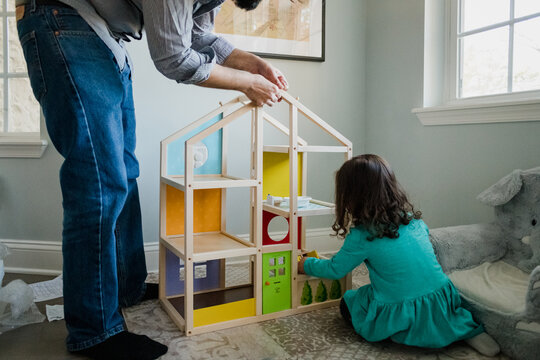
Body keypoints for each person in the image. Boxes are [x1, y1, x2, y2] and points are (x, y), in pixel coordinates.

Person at [15, 0, 287, 359]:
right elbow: (174, 59)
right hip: (62, 17)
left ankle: (127, 287)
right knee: (99, 183)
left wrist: (253, 65)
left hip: (103, 34)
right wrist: (247, 83)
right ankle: (93, 332)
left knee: (123, 173)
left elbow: (199, 34)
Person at [297, 154, 501, 357]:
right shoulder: (414, 222)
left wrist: (305, 264)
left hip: (403, 305)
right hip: (440, 298)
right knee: (391, 290)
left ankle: (402, 330)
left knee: (349, 301)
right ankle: (466, 331)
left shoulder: (362, 236)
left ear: (351, 196)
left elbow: (335, 269)